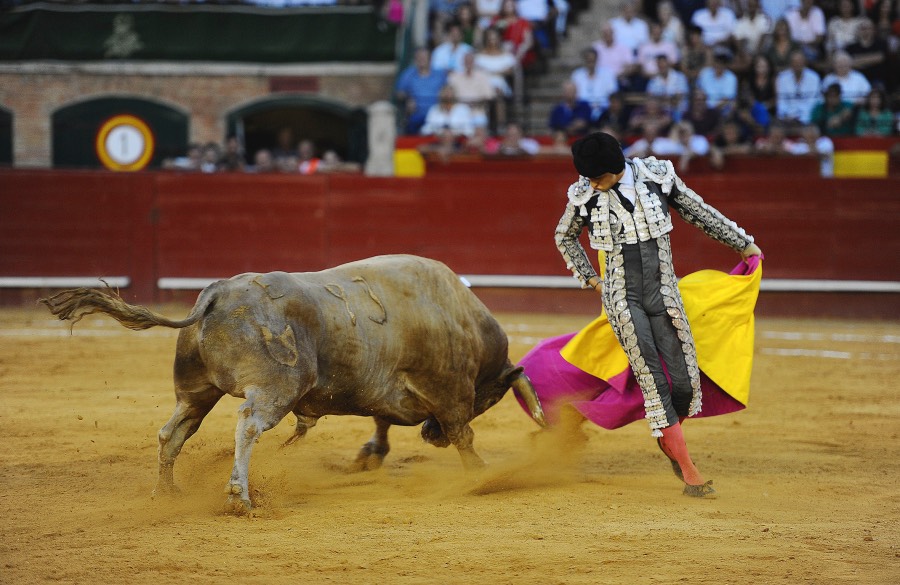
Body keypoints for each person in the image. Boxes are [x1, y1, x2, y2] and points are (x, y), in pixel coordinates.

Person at [552, 131, 761, 498]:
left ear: (614, 169)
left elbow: (698, 211)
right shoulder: (584, 195)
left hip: (664, 293)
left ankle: (668, 439)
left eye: (596, 177)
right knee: (653, 381)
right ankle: (687, 468)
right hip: (622, 301)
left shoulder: (657, 176)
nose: (590, 183)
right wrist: (592, 280)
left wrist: (742, 244)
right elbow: (564, 236)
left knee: (684, 384)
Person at [395, 47, 449, 135]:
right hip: (416, 114)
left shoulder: (440, 75)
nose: (421, 60)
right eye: (419, 57)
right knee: (412, 124)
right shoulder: (408, 74)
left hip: (438, 114)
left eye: (424, 57)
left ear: (430, 59)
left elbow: (449, 91)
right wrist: (408, 98)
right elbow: (399, 93)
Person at [774, 48, 822, 129]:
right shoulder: (782, 78)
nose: (797, 65)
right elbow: (781, 102)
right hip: (787, 119)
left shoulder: (814, 77)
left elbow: (814, 102)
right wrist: (787, 116)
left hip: (808, 118)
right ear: (790, 63)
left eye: (800, 62)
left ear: (805, 62)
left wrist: (800, 117)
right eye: (794, 62)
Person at [571, 47, 620, 123]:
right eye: (588, 60)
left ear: (597, 60)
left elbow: (613, 94)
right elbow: (574, 96)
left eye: (592, 60)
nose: (591, 63)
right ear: (585, 60)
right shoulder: (577, 75)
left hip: (603, 109)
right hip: (582, 111)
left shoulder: (608, 74)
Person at [646, 54, 691, 120]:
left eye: (663, 63)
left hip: (680, 111)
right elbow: (651, 99)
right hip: (661, 114)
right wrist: (670, 98)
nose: (662, 65)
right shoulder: (653, 81)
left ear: (668, 64)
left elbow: (680, 97)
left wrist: (662, 98)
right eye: (659, 64)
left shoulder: (680, 77)